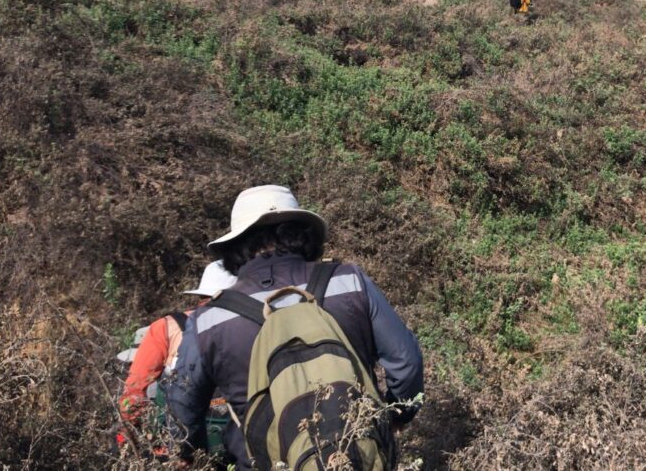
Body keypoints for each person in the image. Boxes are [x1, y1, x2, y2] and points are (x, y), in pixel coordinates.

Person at [167, 185, 424, 470]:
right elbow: (406, 361)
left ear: (233, 247)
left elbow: (181, 409)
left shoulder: (209, 320)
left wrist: (194, 456)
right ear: (304, 234)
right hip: (360, 455)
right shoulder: (350, 281)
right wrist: (397, 414)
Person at [117, 260, 237, 450]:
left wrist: (129, 442)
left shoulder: (167, 327)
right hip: (242, 442)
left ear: (202, 294)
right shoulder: (255, 323)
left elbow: (134, 393)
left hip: (181, 445)